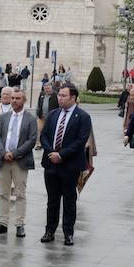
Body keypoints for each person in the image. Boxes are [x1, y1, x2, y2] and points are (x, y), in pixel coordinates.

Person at [39, 84, 93, 247]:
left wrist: (61, 155)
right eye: (59, 95)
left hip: (70, 165)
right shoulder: (54, 114)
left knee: (69, 200)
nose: (59, 98)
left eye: (63, 96)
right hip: (51, 163)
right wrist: (52, 152)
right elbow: (44, 136)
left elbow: (80, 141)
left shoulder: (83, 116)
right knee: (52, 200)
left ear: (73, 98)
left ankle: (68, 233)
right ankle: (50, 230)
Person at [0, 88, 37, 238]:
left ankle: (20, 224)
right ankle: (3, 223)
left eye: (18, 98)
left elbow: (32, 140)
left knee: (20, 194)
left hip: (20, 161)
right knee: (3, 193)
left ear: (24, 100)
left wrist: (15, 153)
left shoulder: (30, 119)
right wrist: (3, 152)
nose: (14, 101)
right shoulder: (4, 117)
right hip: (4, 160)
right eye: (12, 98)